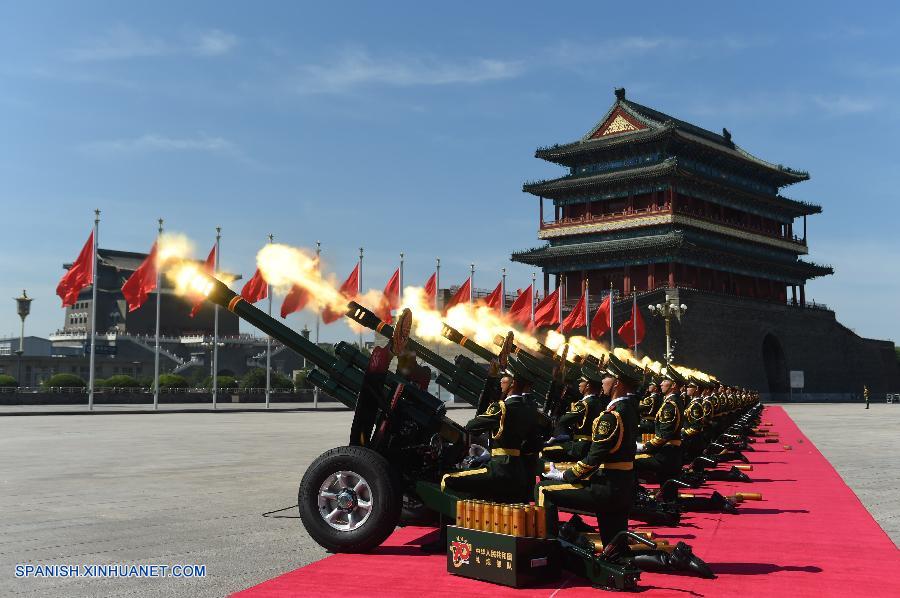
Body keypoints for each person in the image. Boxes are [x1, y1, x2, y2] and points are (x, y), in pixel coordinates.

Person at [537, 354, 642, 546]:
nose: (602, 382)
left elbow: (593, 459)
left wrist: (564, 475)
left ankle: (549, 547)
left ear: (617, 383)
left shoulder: (611, 416)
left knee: (543, 489)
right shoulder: (629, 409)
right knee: (615, 549)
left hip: (607, 488)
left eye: (606, 377)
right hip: (624, 485)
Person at [441, 357, 550, 503]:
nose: (501, 382)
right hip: (519, 471)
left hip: (499, 468)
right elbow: (534, 443)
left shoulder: (501, 408)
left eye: (504, 379)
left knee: (447, 479)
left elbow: (472, 426)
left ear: (513, 383)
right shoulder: (530, 409)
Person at [541, 362, 610, 463]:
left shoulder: (585, 403)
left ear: (587, 386)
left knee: (544, 451)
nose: (579, 384)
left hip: (580, 447)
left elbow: (563, 421)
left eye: (581, 381)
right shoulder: (598, 402)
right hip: (588, 445)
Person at [634, 367, 685, 485]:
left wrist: (644, 447)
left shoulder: (670, 405)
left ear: (673, 385)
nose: (661, 383)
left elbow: (664, 435)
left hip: (666, 455)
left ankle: (635, 494)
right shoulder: (674, 401)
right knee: (668, 495)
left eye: (665, 381)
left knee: (632, 461)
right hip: (669, 453)